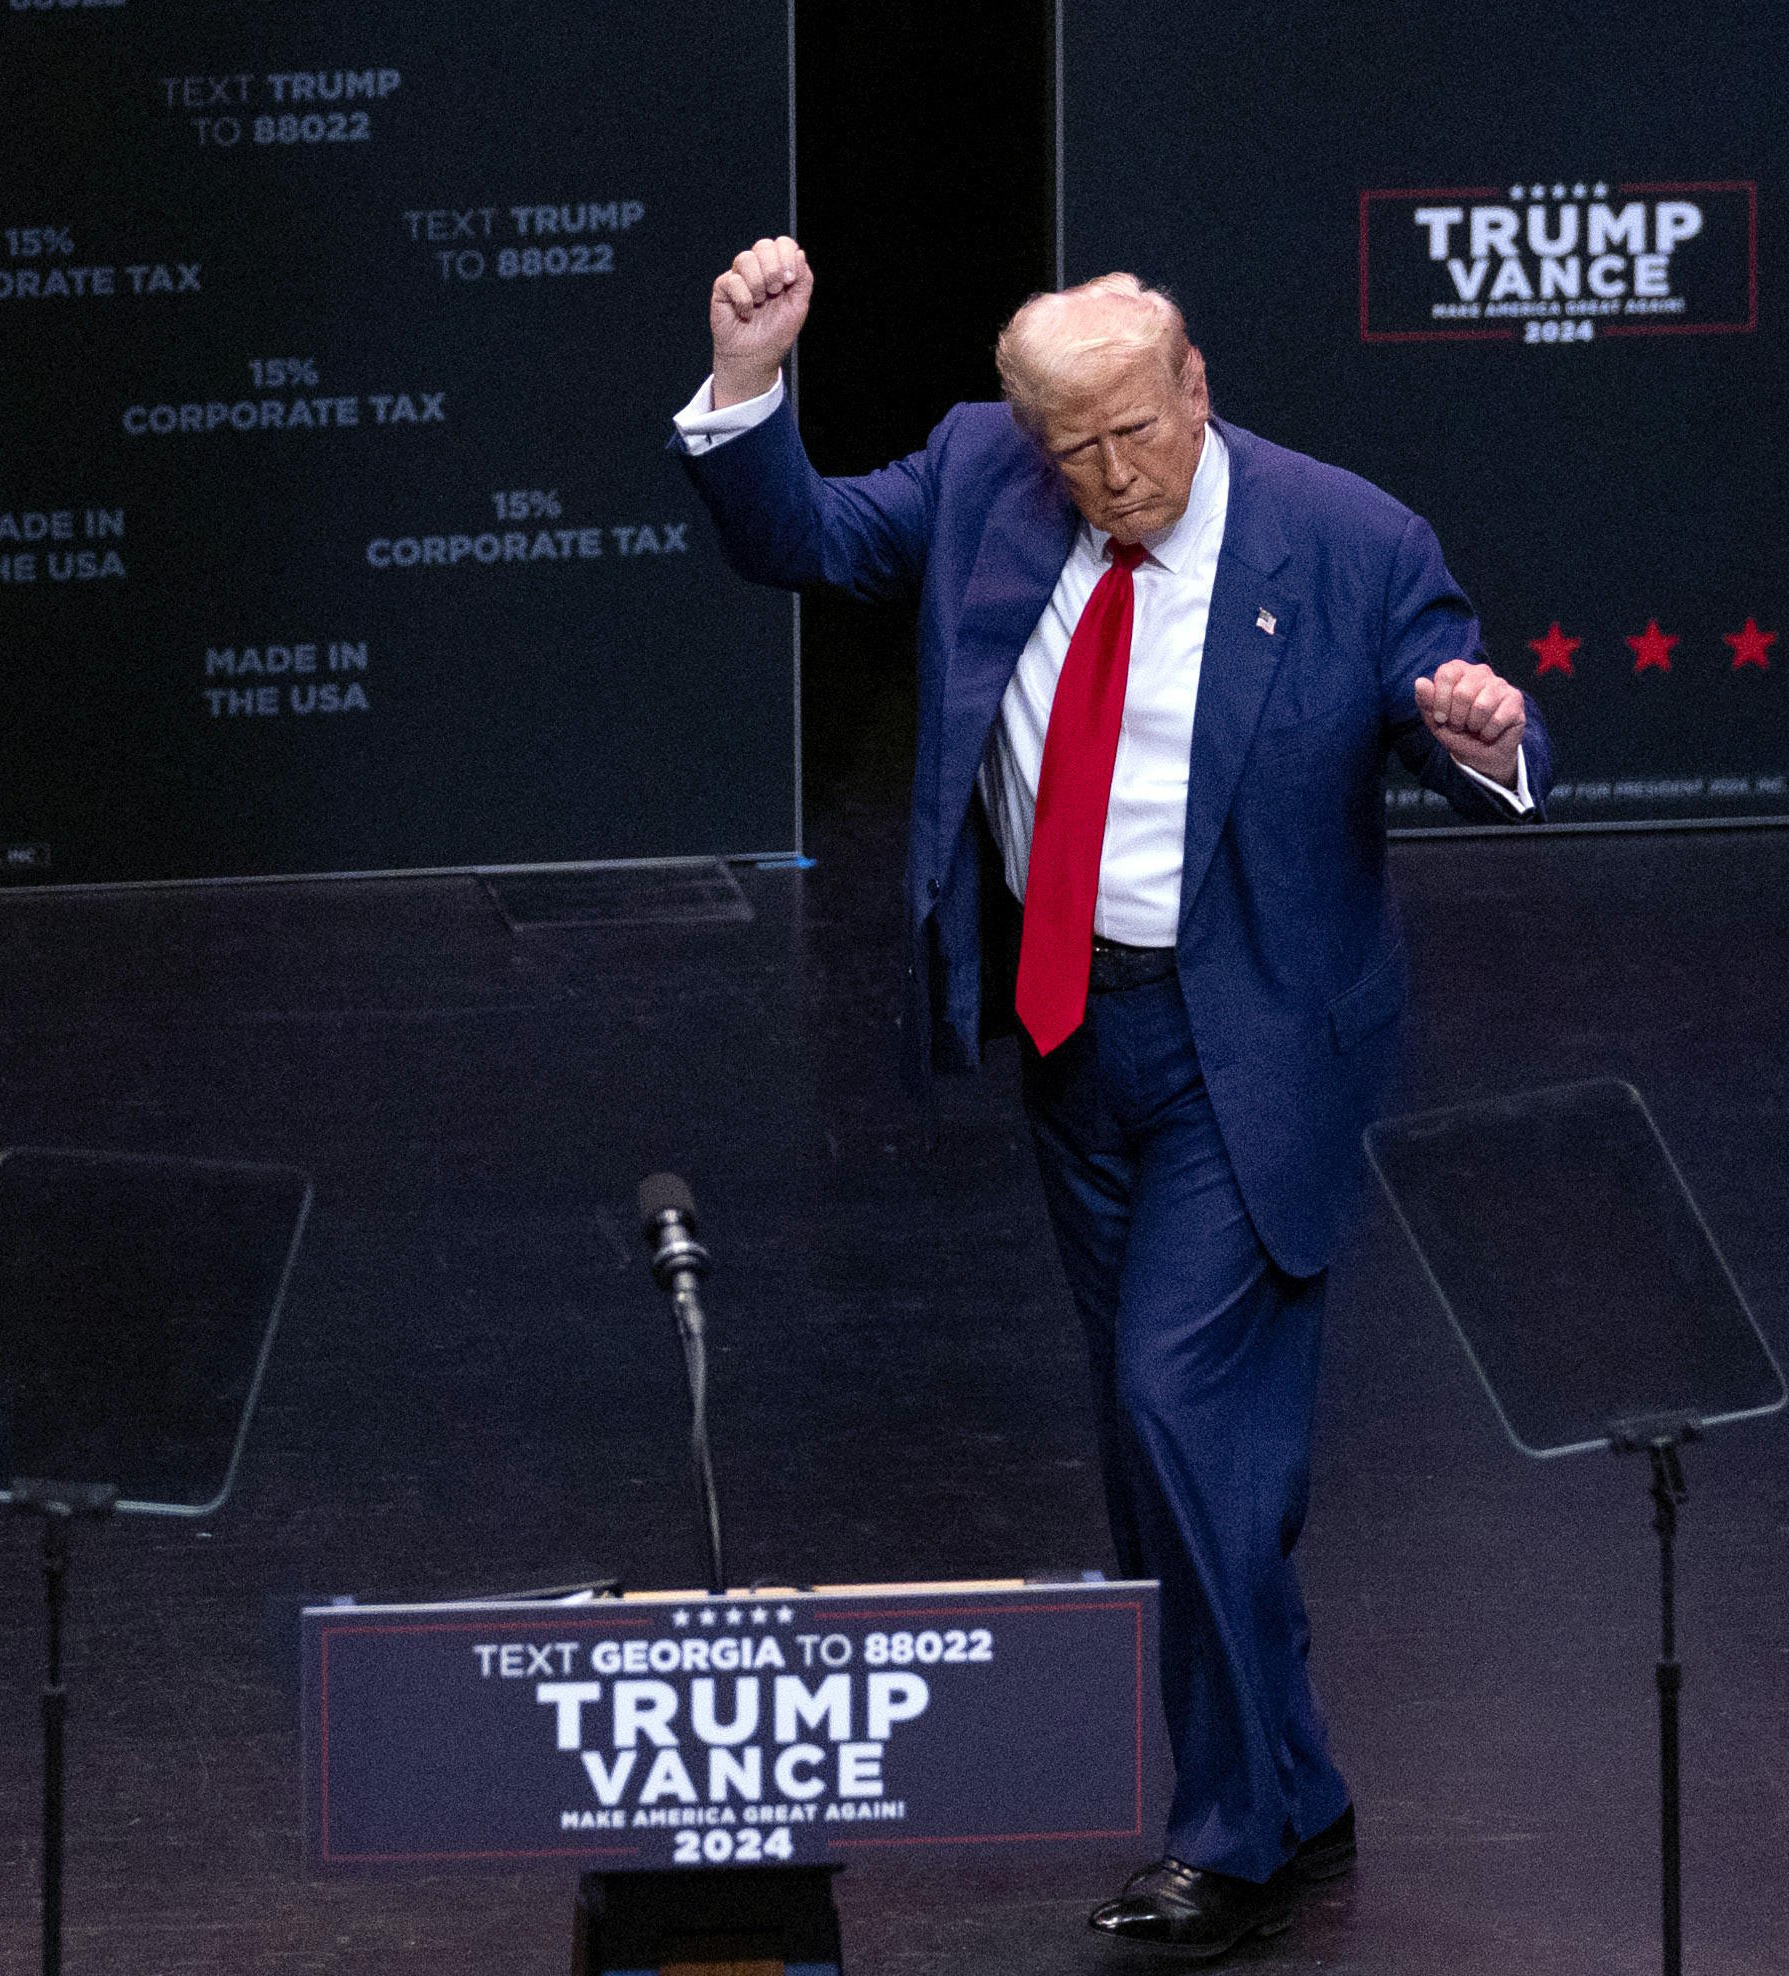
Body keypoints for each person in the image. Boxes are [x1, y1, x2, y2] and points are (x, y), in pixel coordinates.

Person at [670, 236, 1550, 1957]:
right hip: (1075, 1038)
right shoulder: (985, 472)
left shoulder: (1348, 540)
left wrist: (1481, 732)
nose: (1109, 475)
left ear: (1197, 386)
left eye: (1136, 434)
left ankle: (1228, 1838)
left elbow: (1468, 730)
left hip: (1259, 1043)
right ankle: (1291, 1777)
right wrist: (747, 375)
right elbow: (799, 540)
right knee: (1165, 1462)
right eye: (1072, 447)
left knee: (1171, 1401)